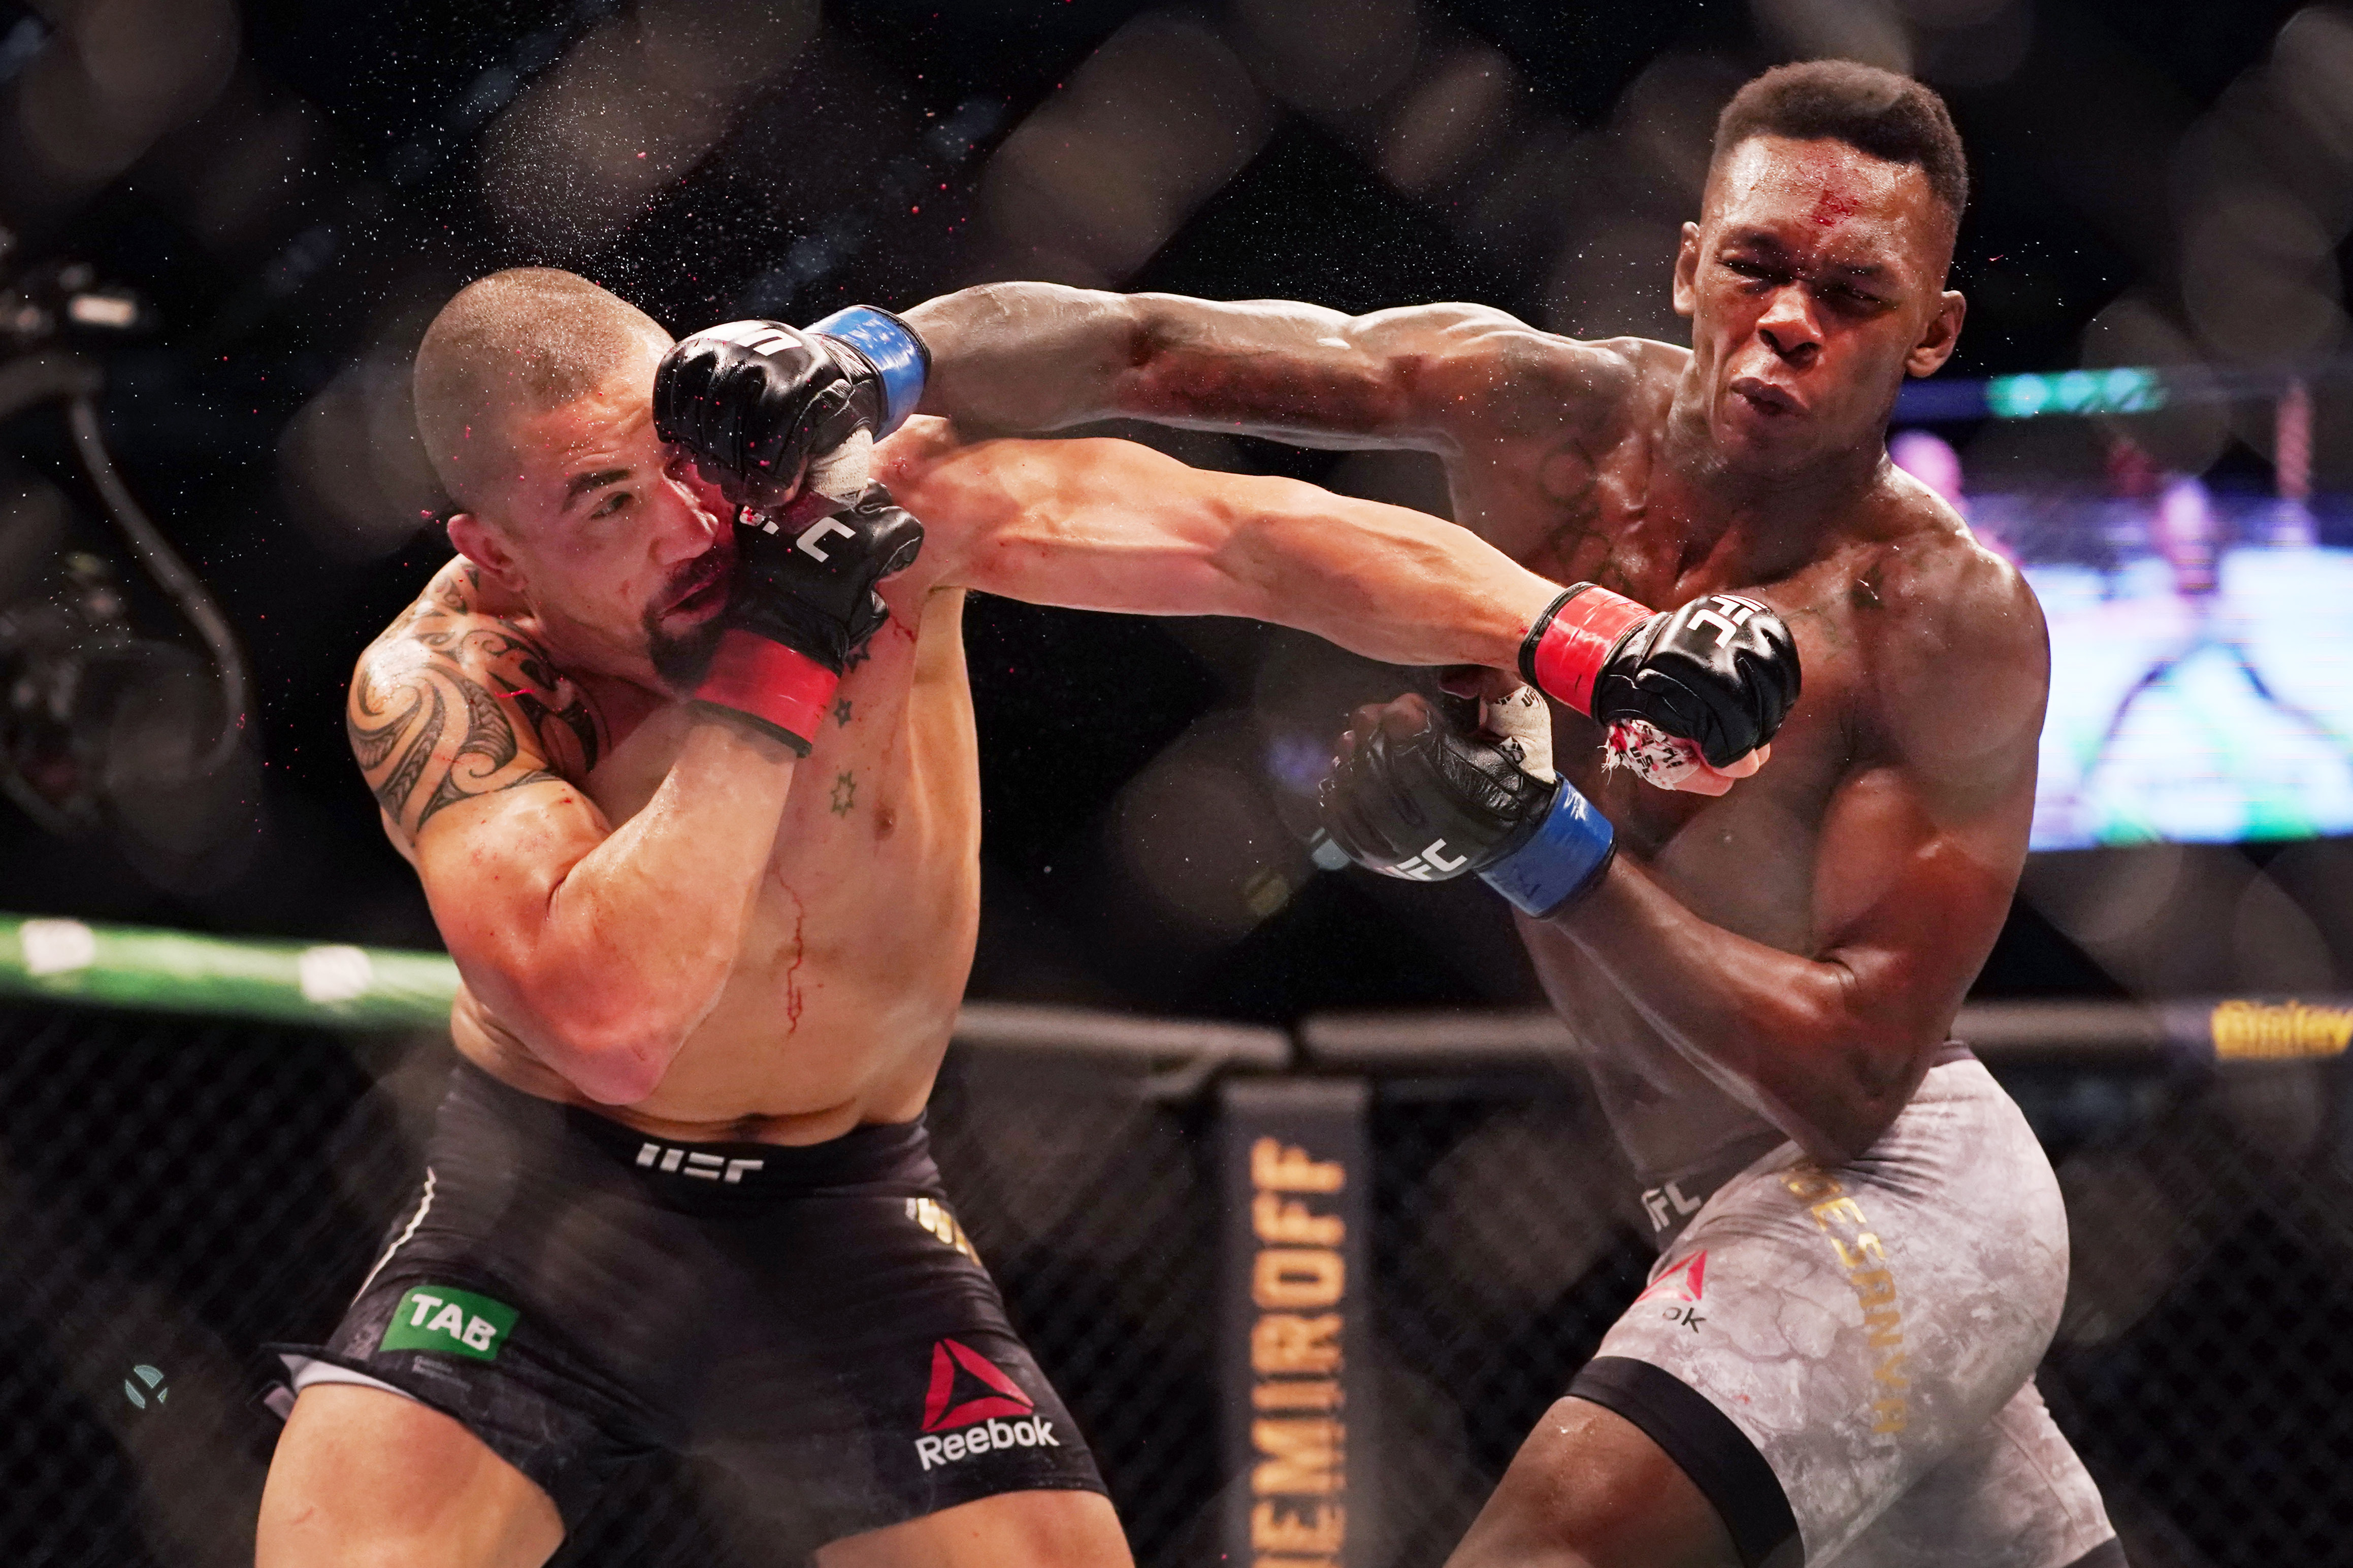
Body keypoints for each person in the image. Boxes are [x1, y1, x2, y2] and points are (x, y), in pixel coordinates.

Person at [255, 267, 1795, 1566]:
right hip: (548, 1216)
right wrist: (780, 662)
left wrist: (1583, 638)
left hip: (845, 1211)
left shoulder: (866, 501)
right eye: (604, 502)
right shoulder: (447, 686)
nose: (684, 517)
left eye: (676, 454)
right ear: (495, 557)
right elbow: (611, 1010)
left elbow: (1233, 537)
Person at [891, 58, 2125, 1568]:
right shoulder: (1547, 425)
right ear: (1688, 264)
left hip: (1889, 1188)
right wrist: (876, 354)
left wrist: (1541, 849)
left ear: (1929, 333)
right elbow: (1148, 343)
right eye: (1754, 266)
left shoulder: (1937, 613)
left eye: (1853, 294)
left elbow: (1858, 1073)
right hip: (1704, 1199)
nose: (1789, 321)